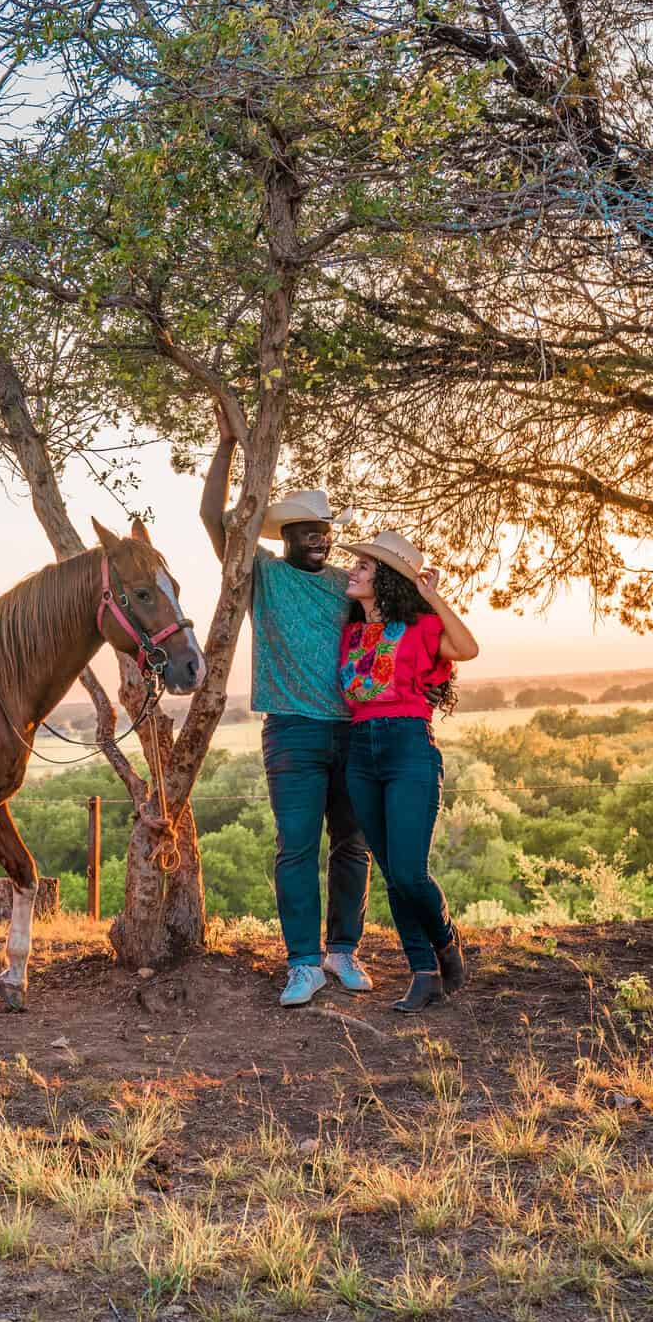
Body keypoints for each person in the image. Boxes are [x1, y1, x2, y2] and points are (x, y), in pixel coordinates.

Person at [201, 410, 372, 1007]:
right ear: (286, 538)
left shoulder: (346, 586)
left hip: (353, 731)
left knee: (352, 845)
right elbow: (211, 518)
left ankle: (343, 951)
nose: (321, 538)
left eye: (325, 529)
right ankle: (303, 963)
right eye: (309, 532)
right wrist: (227, 444)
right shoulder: (263, 576)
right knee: (296, 845)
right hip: (293, 733)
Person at [335, 531, 479, 1012]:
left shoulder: (419, 625)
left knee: (411, 873)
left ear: (388, 580)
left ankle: (445, 941)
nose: (353, 571)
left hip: (409, 748)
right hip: (361, 751)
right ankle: (423, 973)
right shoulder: (350, 632)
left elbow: (467, 647)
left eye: (364, 567)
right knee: (393, 875)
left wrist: (432, 595)